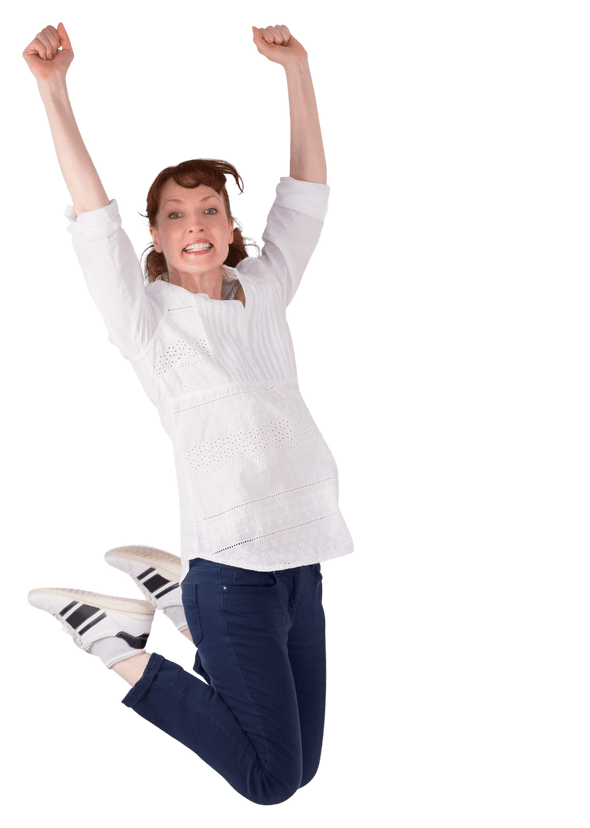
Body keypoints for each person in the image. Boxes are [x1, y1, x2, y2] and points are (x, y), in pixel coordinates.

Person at [23, 22, 354, 806]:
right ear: (158, 237)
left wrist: (297, 72)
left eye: (210, 210)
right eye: (175, 214)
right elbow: (91, 213)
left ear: (232, 229)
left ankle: (174, 603)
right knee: (271, 780)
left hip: (303, 555)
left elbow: (307, 190)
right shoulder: (144, 316)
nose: (196, 224)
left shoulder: (263, 289)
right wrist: (52, 90)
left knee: (301, 768)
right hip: (233, 566)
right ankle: (116, 640)